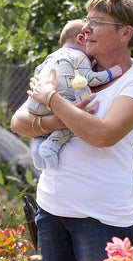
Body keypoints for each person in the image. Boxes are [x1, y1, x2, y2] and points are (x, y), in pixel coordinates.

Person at [10, 0, 133, 261]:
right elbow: (19, 122)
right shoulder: (67, 66)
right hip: (51, 212)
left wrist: (52, 100)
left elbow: (103, 135)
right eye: (87, 20)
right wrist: (57, 120)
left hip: (104, 220)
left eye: (97, 22)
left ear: (125, 32)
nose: (85, 28)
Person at [27, 18, 122, 170]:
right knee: (75, 115)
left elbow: (37, 73)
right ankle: (52, 145)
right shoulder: (78, 56)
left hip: (35, 103)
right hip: (57, 99)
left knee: (50, 123)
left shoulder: (50, 57)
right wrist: (111, 73)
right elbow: (90, 79)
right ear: (81, 39)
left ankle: (37, 146)